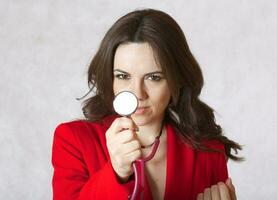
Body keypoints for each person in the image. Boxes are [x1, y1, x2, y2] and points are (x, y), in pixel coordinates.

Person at [51, 8, 242, 200]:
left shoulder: (208, 151)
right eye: (123, 76)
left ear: (178, 80)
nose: (137, 94)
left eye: (153, 77)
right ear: (110, 79)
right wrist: (116, 172)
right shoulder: (73, 141)